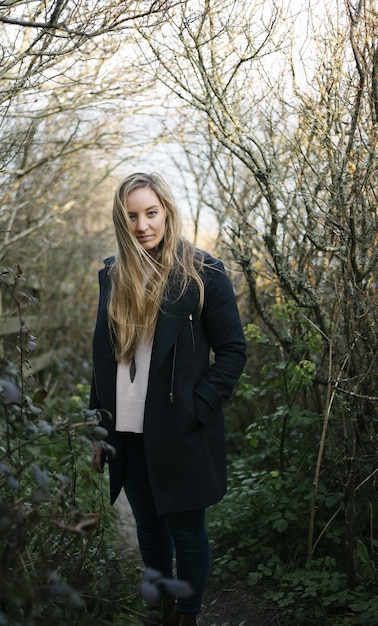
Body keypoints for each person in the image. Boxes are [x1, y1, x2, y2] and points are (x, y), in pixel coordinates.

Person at [90, 172, 247, 626]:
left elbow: (233, 350)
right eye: (132, 215)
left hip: (180, 427)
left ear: (166, 212)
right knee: (148, 527)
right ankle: (158, 609)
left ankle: (188, 614)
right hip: (127, 428)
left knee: (186, 530)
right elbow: (102, 359)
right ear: (122, 221)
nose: (142, 225)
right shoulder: (113, 275)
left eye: (151, 213)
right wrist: (97, 426)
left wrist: (199, 405)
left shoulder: (204, 272)